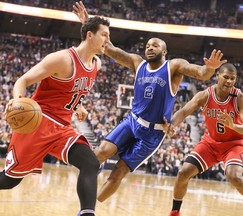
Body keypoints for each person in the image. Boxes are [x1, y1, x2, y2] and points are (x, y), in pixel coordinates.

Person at [73, 1, 227, 202]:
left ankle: (89, 209)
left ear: (164, 51)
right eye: (147, 45)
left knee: (118, 171)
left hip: (153, 134)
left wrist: (210, 68)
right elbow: (109, 48)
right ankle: (86, 201)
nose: (150, 48)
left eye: (155, 45)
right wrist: (88, 24)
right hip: (132, 121)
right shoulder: (138, 63)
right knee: (99, 153)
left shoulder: (174, 67)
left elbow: (201, 73)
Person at [1, 14, 110, 216]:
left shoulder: (96, 65)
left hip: (62, 129)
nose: (107, 40)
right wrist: (17, 101)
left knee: (91, 163)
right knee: (9, 180)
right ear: (89, 35)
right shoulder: (62, 59)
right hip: (38, 123)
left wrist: (79, 106)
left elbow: (69, 91)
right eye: (104, 35)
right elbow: (23, 81)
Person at [166, 63, 243, 216]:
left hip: (235, 144)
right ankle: (175, 211)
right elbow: (184, 111)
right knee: (183, 172)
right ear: (217, 76)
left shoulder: (240, 98)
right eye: (226, 77)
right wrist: (171, 125)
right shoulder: (205, 95)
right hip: (211, 143)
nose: (229, 81)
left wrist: (233, 125)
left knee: (233, 176)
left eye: (232, 78)